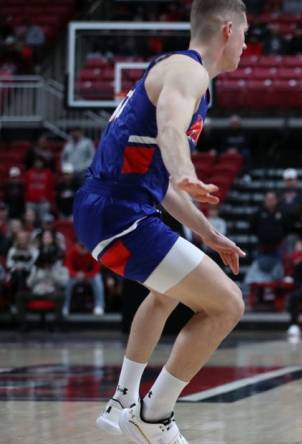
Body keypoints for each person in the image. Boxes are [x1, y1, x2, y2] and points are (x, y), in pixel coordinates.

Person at [74, 2, 248, 442]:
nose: (247, 45)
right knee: (227, 304)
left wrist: (208, 233)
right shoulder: (187, 72)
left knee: (166, 293)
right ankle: (154, 415)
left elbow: (161, 181)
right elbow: (171, 133)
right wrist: (185, 169)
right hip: (119, 212)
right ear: (227, 29)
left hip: (111, 209)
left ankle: (123, 398)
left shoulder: (180, 74)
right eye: (245, 34)